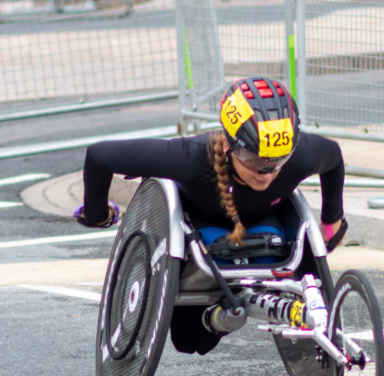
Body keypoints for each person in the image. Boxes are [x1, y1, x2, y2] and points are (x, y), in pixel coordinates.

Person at [75, 76, 348, 355]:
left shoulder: (302, 155)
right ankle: (216, 318)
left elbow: (334, 158)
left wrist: (331, 221)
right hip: (201, 233)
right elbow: (99, 156)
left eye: (277, 161)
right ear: (230, 145)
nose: (266, 172)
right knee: (190, 342)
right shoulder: (190, 157)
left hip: (268, 226)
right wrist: (96, 213)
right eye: (255, 160)